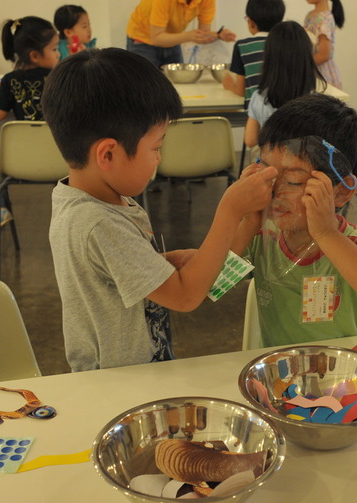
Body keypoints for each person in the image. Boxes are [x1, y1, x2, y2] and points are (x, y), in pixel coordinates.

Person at [42, 48, 276, 371]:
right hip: (118, 384)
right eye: (156, 147)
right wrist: (229, 210)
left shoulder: (95, 198)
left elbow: (117, 273)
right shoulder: (97, 222)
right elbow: (186, 296)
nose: (159, 158)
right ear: (107, 155)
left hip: (137, 374)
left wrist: (248, 220)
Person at [232, 94, 357, 347]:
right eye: (267, 173)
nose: (275, 191)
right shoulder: (260, 238)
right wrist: (248, 220)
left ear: (342, 191)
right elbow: (210, 286)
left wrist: (327, 234)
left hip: (343, 368)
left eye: (293, 180)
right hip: (280, 368)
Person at [0, 16, 60, 237]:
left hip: (23, 161)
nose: (58, 54)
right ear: (35, 55)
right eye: (54, 49)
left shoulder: (10, 80)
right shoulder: (59, 77)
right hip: (62, 158)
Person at [244, 21, 326, 151]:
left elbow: (250, 140)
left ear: (270, 59)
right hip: (304, 162)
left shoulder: (259, 98)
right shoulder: (317, 102)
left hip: (272, 162)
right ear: (306, 59)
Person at [125, 0, 236, 69]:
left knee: (177, 87)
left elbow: (203, 33)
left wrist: (218, 35)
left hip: (172, 39)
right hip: (142, 40)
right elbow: (156, 38)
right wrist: (188, 36)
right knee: (145, 86)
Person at [222, 0, 285, 109]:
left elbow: (240, 91)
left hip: (257, 114)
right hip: (289, 113)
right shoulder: (290, 43)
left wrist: (229, 84)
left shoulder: (242, 46)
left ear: (250, 22)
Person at [304, 0, 344, 89]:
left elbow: (324, 55)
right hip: (312, 68)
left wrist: (302, 64)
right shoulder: (310, 15)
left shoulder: (325, 18)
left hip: (321, 73)